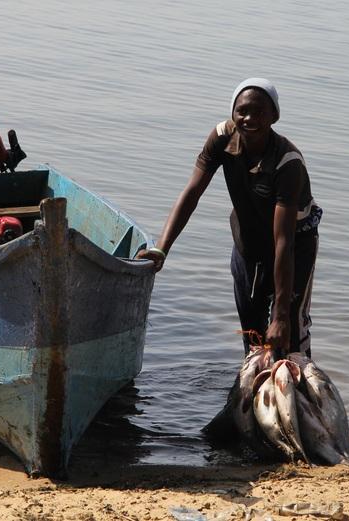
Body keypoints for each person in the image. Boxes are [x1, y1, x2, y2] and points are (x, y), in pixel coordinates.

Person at [137, 78, 322, 357]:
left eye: (259, 112)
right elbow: (192, 193)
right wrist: (160, 249)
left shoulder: (288, 162)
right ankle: (254, 393)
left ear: (275, 116)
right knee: (253, 335)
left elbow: (284, 239)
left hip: (294, 247)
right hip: (248, 242)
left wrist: (281, 315)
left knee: (289, 334)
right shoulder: (222, 136)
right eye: (242, 111)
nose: (249, 118)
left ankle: (301, 391)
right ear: (233, 113)